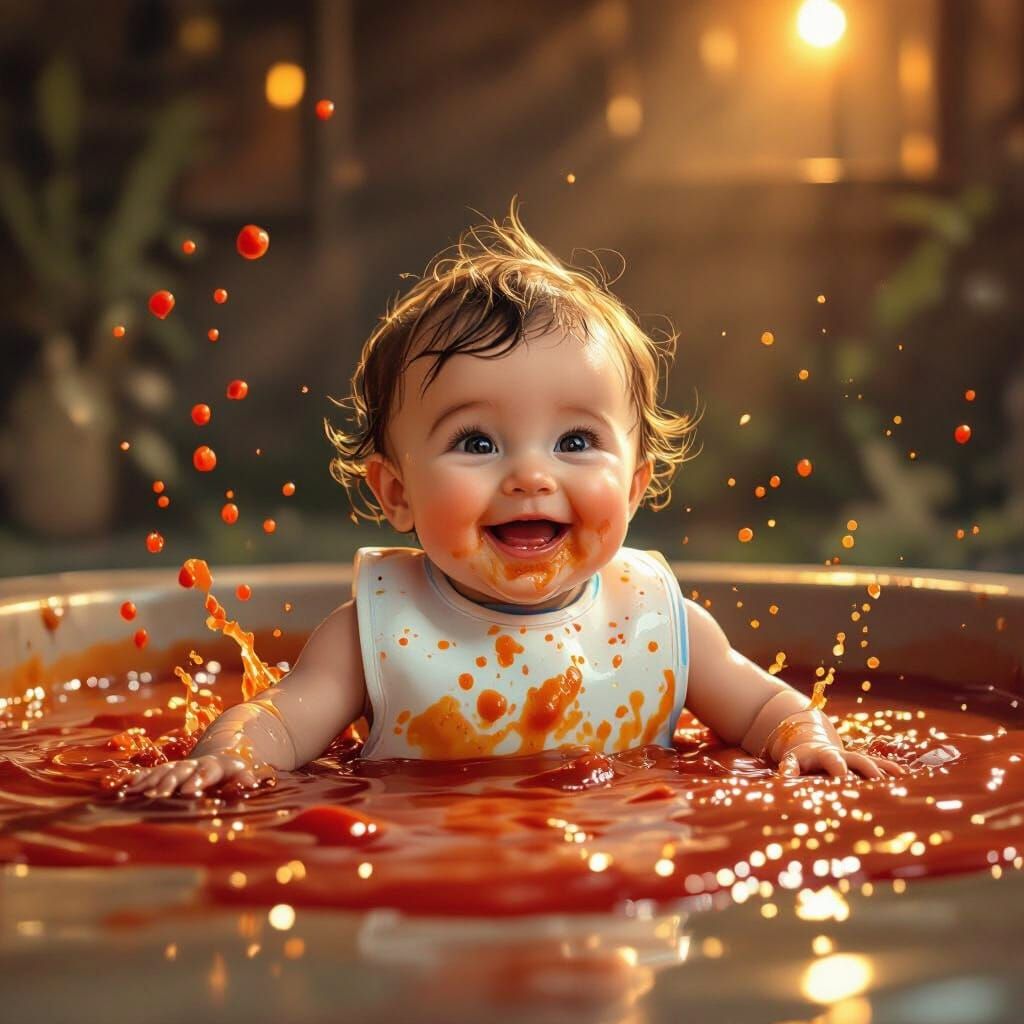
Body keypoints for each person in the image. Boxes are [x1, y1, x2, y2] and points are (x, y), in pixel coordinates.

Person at [126, 199, 905, 797]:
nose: (531, 476)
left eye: (574, 443)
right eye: (476, 443)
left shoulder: (661, 621)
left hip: (612, 897)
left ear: (634, 487)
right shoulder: (374, 631)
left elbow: (765, 708)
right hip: (440, 896)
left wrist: (803, 737)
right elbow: (280, 720)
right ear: (396, 492)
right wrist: (227, 759)